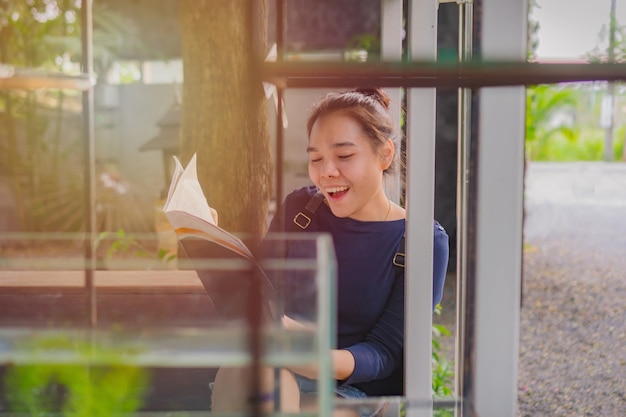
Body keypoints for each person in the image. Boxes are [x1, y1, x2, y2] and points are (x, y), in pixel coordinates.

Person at [210, 87, 449, 414]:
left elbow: (385, 353)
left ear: (385, 154)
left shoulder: (421, 240)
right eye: (316, 158)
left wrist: (312, 357)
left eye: (344, 156)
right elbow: (260, 292)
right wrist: (214, 240)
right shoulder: (299, 209)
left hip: (355, 389)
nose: (326, 172)